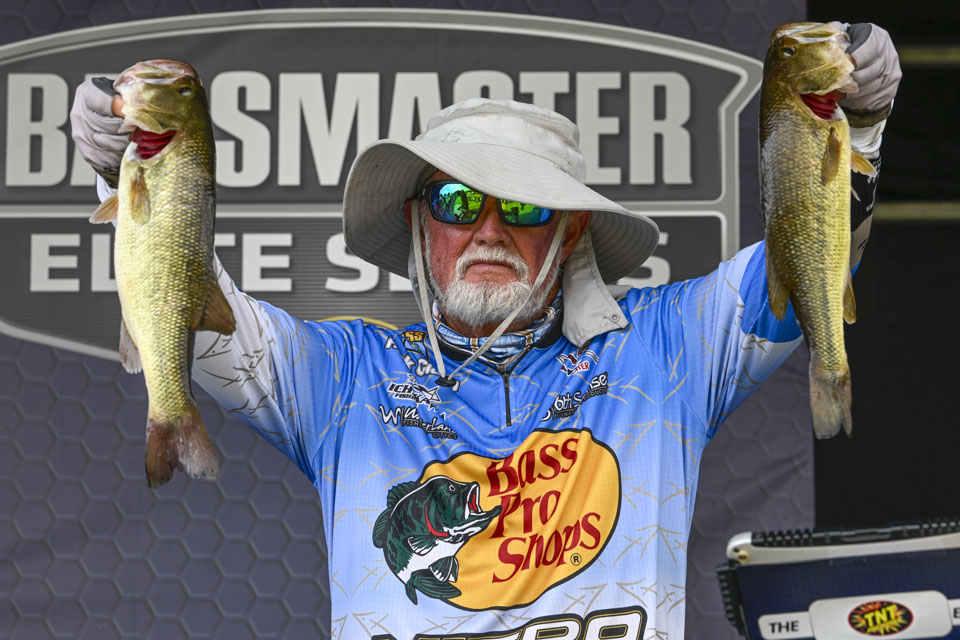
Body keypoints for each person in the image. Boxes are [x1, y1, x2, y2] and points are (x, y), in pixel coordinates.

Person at [70, 22, 901, 640]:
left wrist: (855, 131)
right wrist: (126, 170)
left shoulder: (666, 347)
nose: (489, 231)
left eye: (526, 206)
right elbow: (191, 302)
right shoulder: (343, 377)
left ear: (571, 232)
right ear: (418, 222)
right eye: (458, 201)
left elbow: (807, 255)